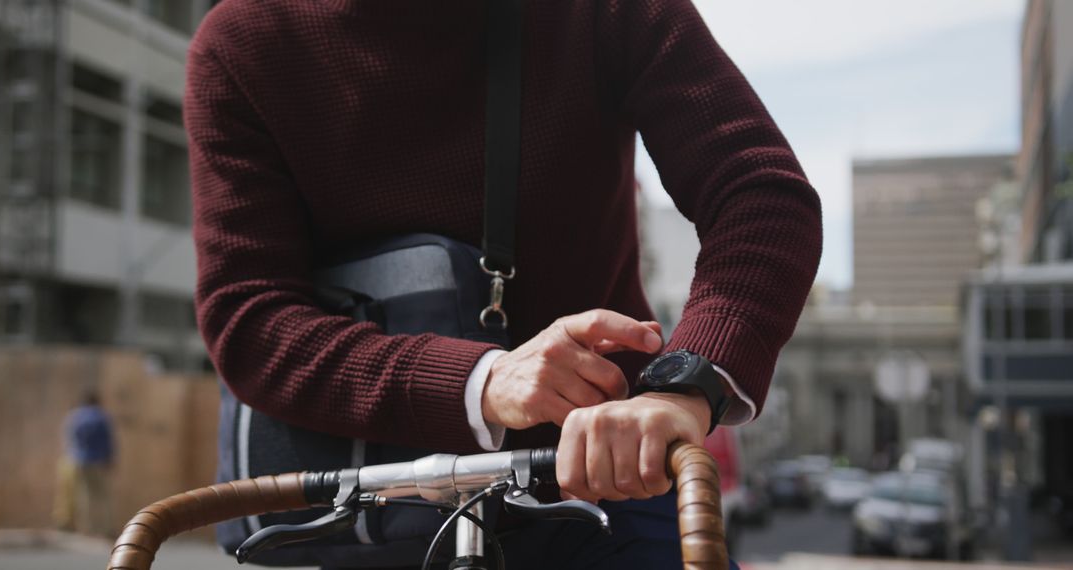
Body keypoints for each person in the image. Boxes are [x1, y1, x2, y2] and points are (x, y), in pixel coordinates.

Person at [186, 1, 822, 568]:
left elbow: (759, 195)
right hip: (366, 511)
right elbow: (250, 318)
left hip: (600, 483)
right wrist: (484, 379)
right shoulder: (242, 45)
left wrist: (684, 389)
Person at [53, 391, 114, 537]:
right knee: (102, 497)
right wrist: (109, 459)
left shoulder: (74, 417)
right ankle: (105, 528)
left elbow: (68, 438)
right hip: (96, 461)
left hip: (76, 460)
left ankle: (87, 528)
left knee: (82, 495)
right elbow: (108, 441)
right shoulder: (101, 417)